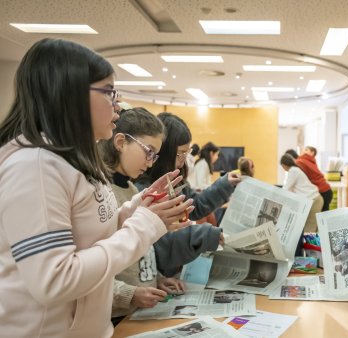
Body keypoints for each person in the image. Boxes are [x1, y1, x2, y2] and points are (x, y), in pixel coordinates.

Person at [0, 38, 193, 337]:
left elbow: (92, 236)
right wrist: (142, 226)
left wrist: (138, 209)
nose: (117, 105)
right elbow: (55, 280)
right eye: (108, 93)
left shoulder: (74, 160)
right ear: (71, 96)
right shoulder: (35, 166)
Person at [98, 108, 217, 325]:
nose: (151, 162)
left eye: (156, 155)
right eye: (149, 151)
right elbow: (95, 268)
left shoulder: (133, 190)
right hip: (117, 314)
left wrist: (158, 280)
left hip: (140, 308)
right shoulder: (104, 193)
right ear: (120, 142)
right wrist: (130, 293)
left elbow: (144, 252)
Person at [136, 113, 241, 277]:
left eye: (187, 153)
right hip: (157, 274)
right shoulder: (144, 190)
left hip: (173, 273)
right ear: (163, 152)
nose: (183, 160)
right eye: (180, 154)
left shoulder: (174, 180)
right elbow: (160, 245)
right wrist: (203, 235)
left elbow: (194, 205)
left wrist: (225, 183)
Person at [280, 153, 324, 233]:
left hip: (314, 200)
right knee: (310, 229)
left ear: (284, 164)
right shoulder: (296, 169)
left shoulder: (293, 170)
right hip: (314, 199)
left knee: (309, 231)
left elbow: (286, 188)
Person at [296, 146, 333, 211]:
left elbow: (297, 163)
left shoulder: (303, 160)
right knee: (323, 215)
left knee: (322, 216)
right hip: (326, 190)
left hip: (323, 192)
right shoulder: (311, 161)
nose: (304, 152)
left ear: (312, 153)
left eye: (306, 150)